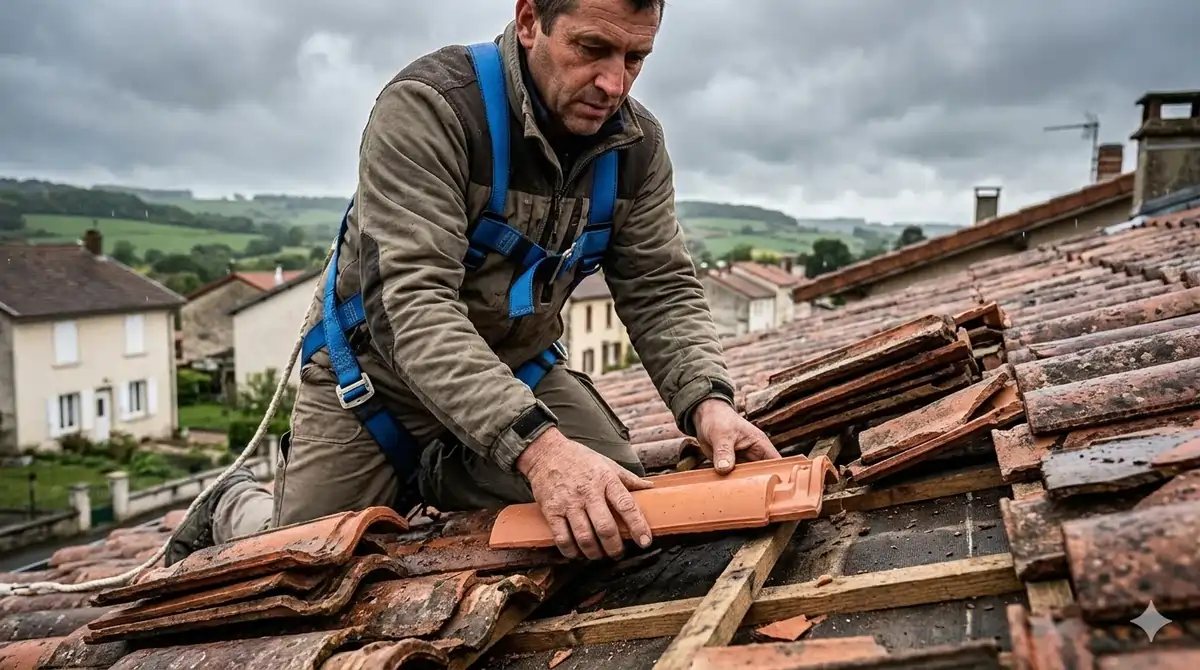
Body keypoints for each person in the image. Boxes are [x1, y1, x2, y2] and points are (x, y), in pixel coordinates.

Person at [167, 0, 780, 566]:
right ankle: (233, 503)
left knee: (611, 492)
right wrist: (539, 452)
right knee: (305, 561)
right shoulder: (432, 109)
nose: (614, 84)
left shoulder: (634, 147)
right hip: (379, 386)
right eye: (592, 49)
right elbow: (411, 304)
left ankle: (440, 470)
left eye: (635, 58)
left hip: (517, 372)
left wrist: (708, 403)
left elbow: (660, 287)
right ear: (530, 19)